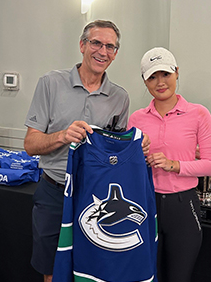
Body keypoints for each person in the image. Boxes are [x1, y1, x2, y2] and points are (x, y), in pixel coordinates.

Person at [24, 20, 149, 282]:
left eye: (110, 47)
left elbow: (115, 155)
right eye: (96, 43)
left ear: (115, 54)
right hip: (54, 193)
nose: (102, 51)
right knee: (52, 271)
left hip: (93, 197)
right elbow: (30, 145)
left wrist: (138, 146)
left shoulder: (120, 97)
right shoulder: (50, 83)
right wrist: (61, 136)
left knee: (90, 271)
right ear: (82, 45)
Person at [128, 47, 211, 282]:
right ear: (144, 81)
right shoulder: (137, 118)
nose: (160, 82)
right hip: (147, 204)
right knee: (146, 276)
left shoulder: (198, 114)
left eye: (165, 74)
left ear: (177, 73)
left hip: (183, 206)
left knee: (179, 277)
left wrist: (175, 165)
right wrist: (137, 157)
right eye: (152, 77)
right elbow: (129, 167)